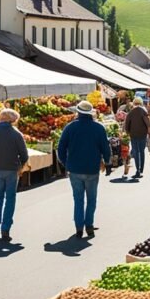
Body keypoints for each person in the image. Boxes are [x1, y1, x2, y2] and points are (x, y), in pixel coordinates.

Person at [58, 101, 111, 238]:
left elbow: (61, 148)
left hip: (74, 169)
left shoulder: (70, 128)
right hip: (92, 168)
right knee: (92, 198)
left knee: (78, 199)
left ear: (78, 112)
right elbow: (105, 147)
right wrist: (108, 162)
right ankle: (89, 225)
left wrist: (65, 163)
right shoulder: (98, 128)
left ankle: (79, 227)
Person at [0, 108, 28, 242]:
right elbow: (24, 155)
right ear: (12, 120)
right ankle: (6, 228)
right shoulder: (16, 134)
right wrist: (20, 164)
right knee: (10, 198)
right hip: (11, 169)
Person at [123, 97, 150, 180]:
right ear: (140, 103)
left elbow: (126, 124)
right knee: (142, 151)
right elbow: (148, 122)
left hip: (133, 135)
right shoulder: (143, 111)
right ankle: (141, 169)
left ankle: (138, 170)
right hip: (142, 134)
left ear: (134, 103)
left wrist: (128, 132)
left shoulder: (131, 112)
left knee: (136, 152)